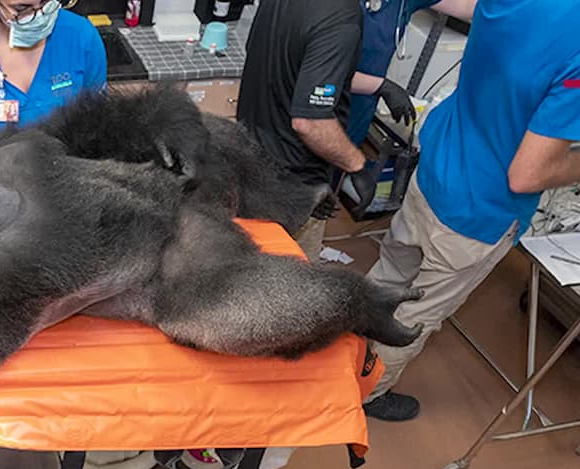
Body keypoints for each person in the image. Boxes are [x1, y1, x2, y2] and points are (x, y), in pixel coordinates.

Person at [361, 0, 580, 421]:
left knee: (391, 271)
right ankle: (366, 394)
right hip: (478, 211)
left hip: (437, 168)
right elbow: (527, 175)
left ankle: (340, 345)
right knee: (416, 312)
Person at [236, 0, 366, 261]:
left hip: (249, 158)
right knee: (289, 277)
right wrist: (356, 166)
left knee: (246, 256)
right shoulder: (341, 17)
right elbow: (310, 122)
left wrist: (379, 85)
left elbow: (294, 62)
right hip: (295, 184)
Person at [0, 0, 106, 135]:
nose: (40, 16)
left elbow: (97, 119)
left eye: (46, 3)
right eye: (22, 9)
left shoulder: (82, 37)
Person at [345, 0, 477, 146]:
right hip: (326, 113)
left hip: (357, 115)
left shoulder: (402, 3)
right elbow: (322, 74)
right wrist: (380, 86)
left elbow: (466, 7)